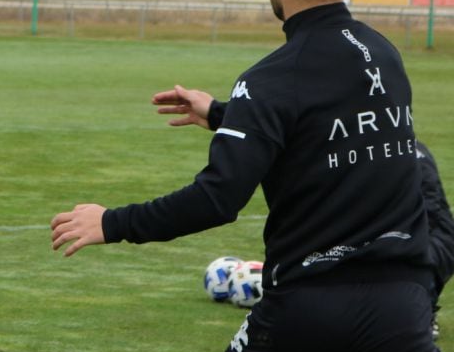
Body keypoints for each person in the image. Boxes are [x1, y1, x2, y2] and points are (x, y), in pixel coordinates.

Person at [50, 0, 448, 352]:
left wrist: (111, 221)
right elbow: (319, 125)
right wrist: (220, 114)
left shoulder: (270, 77)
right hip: (401, 313)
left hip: (305, 311)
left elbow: (218, 198)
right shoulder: (385, 58)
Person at [155, 85, 454, 339]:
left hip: (410, 268)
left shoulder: (407, 155)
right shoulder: (340, 141)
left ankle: (416, 313)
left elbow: (440, 236)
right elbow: (285, 127)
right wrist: (218, 112)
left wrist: (419, 299)